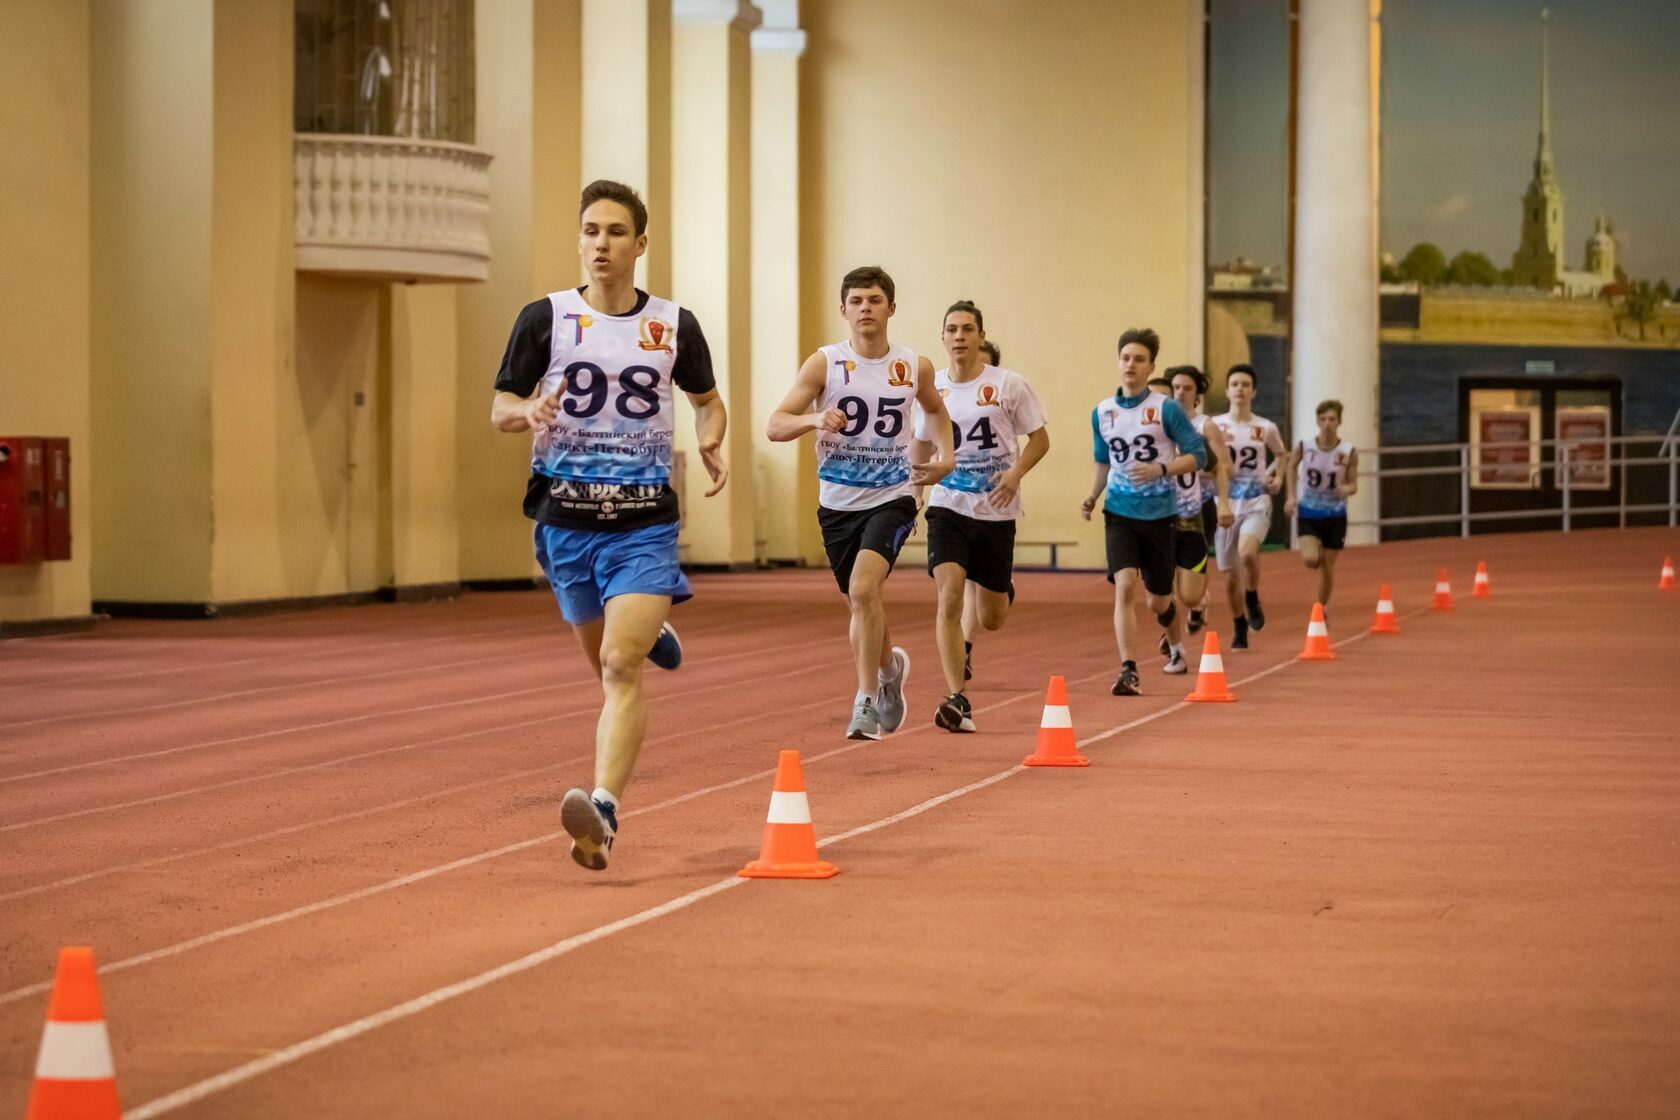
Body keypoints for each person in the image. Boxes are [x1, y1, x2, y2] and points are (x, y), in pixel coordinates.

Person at [491, 180, 729, 872]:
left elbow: (708, 402)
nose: (602, 243)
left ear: (640, 244)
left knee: (621, 667)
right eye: (591, 231)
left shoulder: (672, 326)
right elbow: (500, 405)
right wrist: (527, 412)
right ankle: (651, 626)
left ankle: (602, 812)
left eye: (616, 232)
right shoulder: (546, 319)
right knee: (602, 663)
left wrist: (712, 436)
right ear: (580, 239)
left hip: (642, 521)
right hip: (564, 521)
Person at [767, 266, 954, 740]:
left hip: (892, 497)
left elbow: (935, 409)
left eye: (874, 300)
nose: (865, 308)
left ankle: (865, 701)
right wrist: (814, 421)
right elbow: (775, 424)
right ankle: (891, 670)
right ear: (843, 310)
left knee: (865, 591)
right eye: (856, 301)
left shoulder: (914, 365)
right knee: (861, 600)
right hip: (837, 504)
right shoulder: (824, 363)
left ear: (892, 307)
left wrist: (947, 459)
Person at [912, 300, 1049, 732]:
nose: (959, 337)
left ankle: (1001, 588)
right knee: (949, 594)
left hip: (996, 510)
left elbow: (1040, 440)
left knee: (991, 616)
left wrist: (1016, 472)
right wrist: (914, 494)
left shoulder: (1009, 385)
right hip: (948, 505)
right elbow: (918, 446)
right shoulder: (931, 390)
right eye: (951, 329)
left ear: (980, 336)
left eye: (967, 329)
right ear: (942, 337)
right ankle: (957, 697)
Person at [1080, 328, 1207, 696]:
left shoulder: (1165, 409)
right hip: (1119, 512)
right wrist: (1092, 495)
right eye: (1125, 358)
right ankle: (1128, 669)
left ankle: (1177, 646)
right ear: (1118, 363)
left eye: (1139, 359)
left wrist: (1162, 469)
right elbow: (1103, 461)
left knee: (1158, 600)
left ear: (1151, 366)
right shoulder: (1102, 412)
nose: (1131, 364)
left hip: (1159, 515)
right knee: (1124, 585)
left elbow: (1198, 454)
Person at [1157, 365, 1233, 669]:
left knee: (1186, 578)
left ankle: (1197, 598)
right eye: (1175, 387)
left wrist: (1192, 464)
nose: (1179, 392)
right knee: (1164, 572)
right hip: (1163, 510)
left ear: (1197, 395)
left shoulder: (1205, 427)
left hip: (1200, 507)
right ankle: (1170, 632)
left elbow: (1224, 467)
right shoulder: (1156, 428)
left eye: (1187, 388)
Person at [1211, 363, 1288, 650]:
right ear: (1227, 390)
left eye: (1245, 384)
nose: (1240, 389)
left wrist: (1277, 476)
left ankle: (1252, 596)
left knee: (1247, 552)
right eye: (1234, 384)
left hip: (1256, 499)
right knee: (1229, 575)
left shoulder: (1264, 427)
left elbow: (1283, 455)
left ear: (1253, 391)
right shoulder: (1215, 425)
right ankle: (1238, 623)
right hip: (1226, 504)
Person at [1285, 399, 1358, 613]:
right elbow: (1291, 466)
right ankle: (1314, 553)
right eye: (1323, 419)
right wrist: (1291, 496)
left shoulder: (1348, 451)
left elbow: (1354, 484)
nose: (1327, 423)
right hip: (1309, 511)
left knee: (1328, 567)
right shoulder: (1304, 446)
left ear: (1339, 422)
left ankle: (1321, 607)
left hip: (1335, 515)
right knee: (1310, 559)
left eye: (1332, 419)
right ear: (1317, 421)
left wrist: (1347, 489)